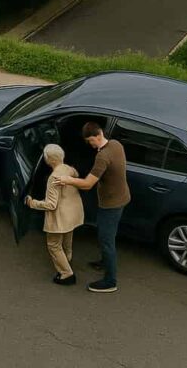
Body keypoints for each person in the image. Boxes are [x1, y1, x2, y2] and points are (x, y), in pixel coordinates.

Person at [57, 121, 130, 293]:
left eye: (91, 141)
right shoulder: (115, 144)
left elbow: (88, 184)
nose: (90, 144)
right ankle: (105, 261)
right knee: (107, 235)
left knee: (106, 240)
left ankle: (110, 281)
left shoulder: (102, 157)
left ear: (98, 136)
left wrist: (68, 180)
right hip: (123, 196)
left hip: (111, 204)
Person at [25, 143, 84, 286]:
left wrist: (32, 203)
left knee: (53, 245)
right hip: (74, 212)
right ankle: (67, 259)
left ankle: (66, 273)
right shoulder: (70, 169)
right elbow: (77, 177)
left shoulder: (53, 178)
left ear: (49, 160)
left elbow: (51, 204)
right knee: (67, 239)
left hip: (60, 217)